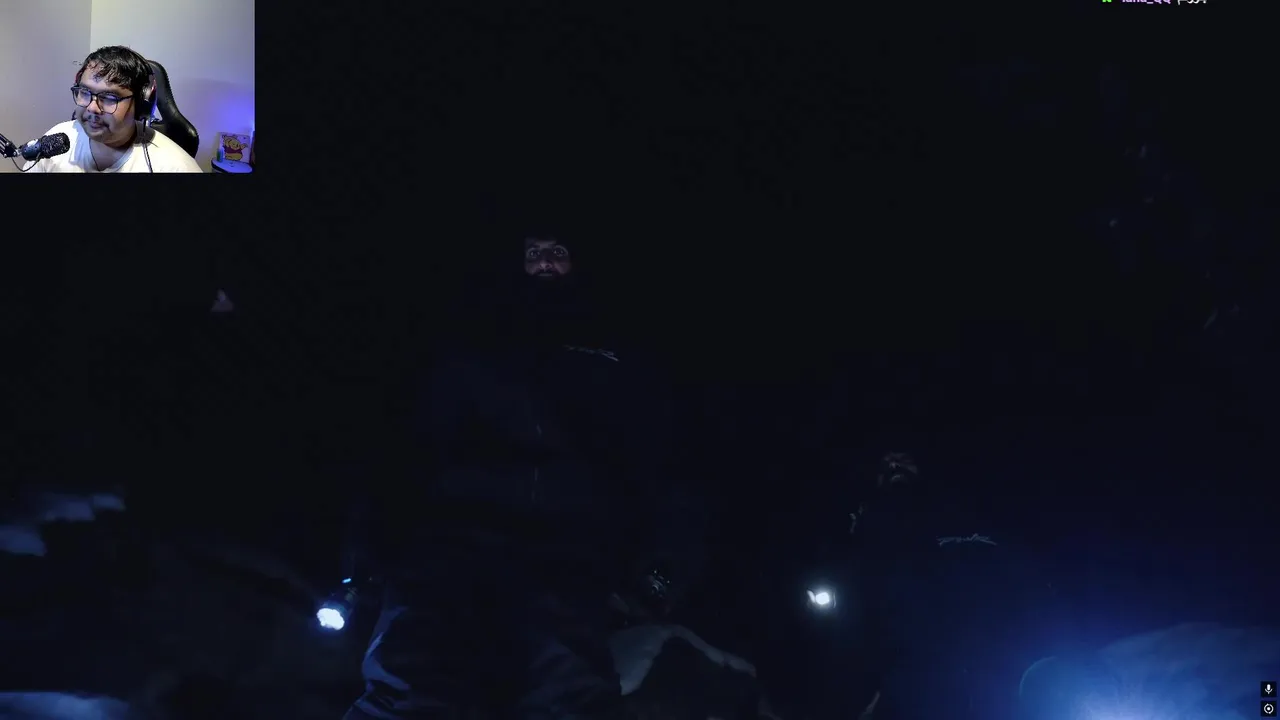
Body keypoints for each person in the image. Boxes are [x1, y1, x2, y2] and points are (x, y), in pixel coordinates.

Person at [343, 233, 703, 719]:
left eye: (558, 252)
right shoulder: (470, 343)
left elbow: (668, 466)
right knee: (409, 685)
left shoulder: (618, 357)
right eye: (534, 253)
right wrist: (369, 550)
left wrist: (658, 576)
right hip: (448, 548)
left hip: (569, 557)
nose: (545, 263)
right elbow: (405, 448)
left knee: (566, 696)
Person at [840, 453, 1066, 720]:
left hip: (982, 657)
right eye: (886, 464)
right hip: (910, 660)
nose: (894, 467)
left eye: (903, 459)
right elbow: (865, 598)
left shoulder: (961, 514)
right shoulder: (870, 522)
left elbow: (1020, 577)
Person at [26, 46, 201, 173]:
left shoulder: (175, 167)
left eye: (110, 98)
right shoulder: (56, 140)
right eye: (85, 92)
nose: (92, 107)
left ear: (141, 104)